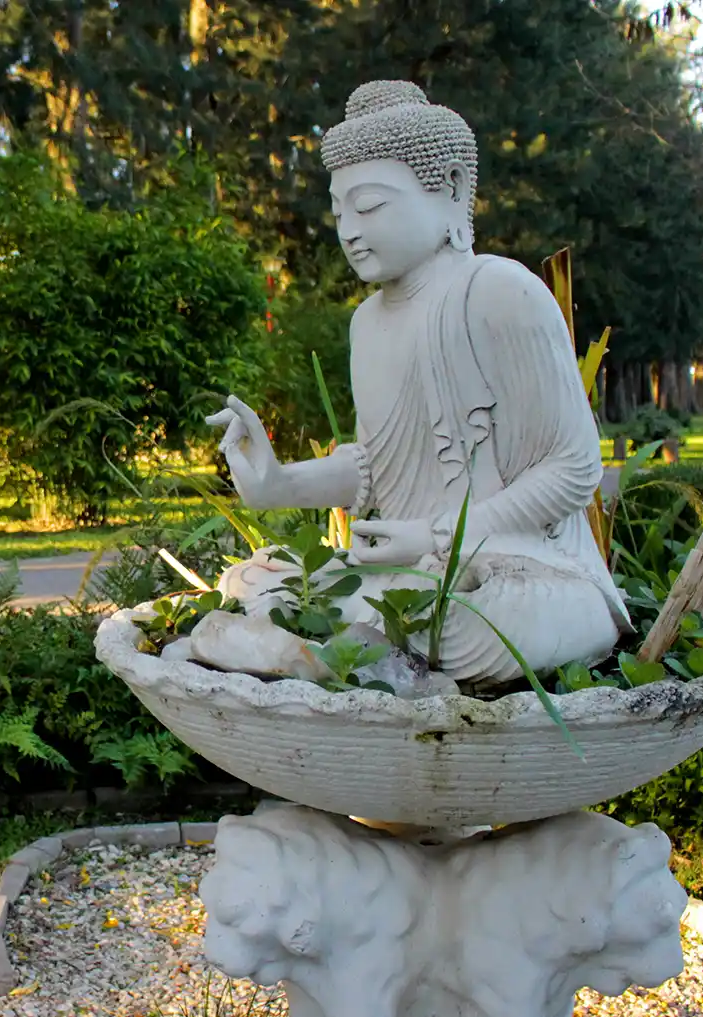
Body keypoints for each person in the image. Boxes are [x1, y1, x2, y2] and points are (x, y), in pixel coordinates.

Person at [207, 80, 630, 689]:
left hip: (519, 569)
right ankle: (362, 646)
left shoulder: (499, 291)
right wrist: (278, 483)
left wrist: (435, 538)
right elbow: (377, 467)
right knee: (258, 582)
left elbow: (574, 467)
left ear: (452, 187)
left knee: (473, 626)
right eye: (338, 212)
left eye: (371, 206)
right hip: (413, 577)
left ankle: (351, 652)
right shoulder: (366, 324)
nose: (348, 230)